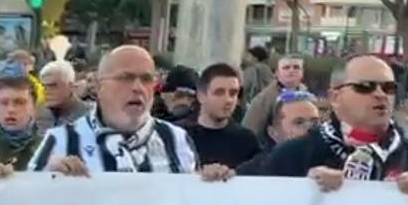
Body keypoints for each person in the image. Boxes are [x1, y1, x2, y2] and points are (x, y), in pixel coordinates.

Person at [242, 54, 408, 187]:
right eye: (365, 87)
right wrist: (304, 187)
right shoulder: (294, 153)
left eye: (388, 88)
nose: (380, 95)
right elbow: (242, 193)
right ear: (335, 97)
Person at [31, 45, 200, 176]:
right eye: (125, 78)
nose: (138, 87)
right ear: (99, 86)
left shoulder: (178, 140)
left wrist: (210, 184)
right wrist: (49, 181)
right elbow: (30, 203)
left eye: (146, 79)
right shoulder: (60, 141)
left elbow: (192, 204)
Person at [184, 63, 259, 169]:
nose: (228, 100)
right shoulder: (179, 136)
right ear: (201, 96)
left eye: (233, 93)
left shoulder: (246, 141)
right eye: (219, 93)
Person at [237, 89, 321, 175]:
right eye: (299, 122)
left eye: (315, 122)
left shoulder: (328, 162)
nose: (310, 128)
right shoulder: (252, 173)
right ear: (273, 133)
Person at [244, 54, 305, 136]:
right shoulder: (264, 99)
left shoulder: (306, 95)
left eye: (296, 67)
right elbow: (249, 130)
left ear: (302, 72)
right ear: (277, 73)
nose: (291, 70)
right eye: (286, 67)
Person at [37, 60, 89, 129]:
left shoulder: (89, 117)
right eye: (44, 86)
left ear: (70, 86)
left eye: (52, 86)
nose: (46, 91)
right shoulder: (38, 115)